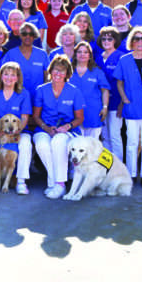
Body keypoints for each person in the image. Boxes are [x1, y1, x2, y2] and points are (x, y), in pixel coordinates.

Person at [113, 26, 142, 187]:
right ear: (132, 42)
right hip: (132, 107)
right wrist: (124, 99)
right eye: (136, 39)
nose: (140, 42)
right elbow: (119, 82)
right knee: (132, 143)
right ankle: (131, 174)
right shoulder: (124, 60)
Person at [32, 55, 85, 199]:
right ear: (50, 71)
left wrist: (67, 126)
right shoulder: (41, 90)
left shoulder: (74, 91)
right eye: (55, 70)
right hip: (44, 128)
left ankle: (60, 183)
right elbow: (36, 116)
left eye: (62, 71)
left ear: (67, 73)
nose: (58, 74)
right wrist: (46, 128)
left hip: (67, 131)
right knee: (42, 145)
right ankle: (53, 182)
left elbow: (80, 118)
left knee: (58, 142)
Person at [0, 61, 33, 195]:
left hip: (18, 132)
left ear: (17, 78)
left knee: (26, 144)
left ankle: (21, 181)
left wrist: (18, 131)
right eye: (6, 74)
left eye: (13, 75)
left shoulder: (24, 93)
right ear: (1, 76)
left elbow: (24, 118)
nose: (9, 78)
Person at [69, 41, 110, 140]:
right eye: (79, 52)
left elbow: (105, 90)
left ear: (90, 56)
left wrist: (105, 107)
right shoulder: (68, 72)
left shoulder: (97, 72)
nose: (82, 54)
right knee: (76, 144)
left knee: (92, 144)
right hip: (72, 114)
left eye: (85, 52)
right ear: (75, 55)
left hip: (93, 112)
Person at [97, 28, 125, 158]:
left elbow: (125, 81)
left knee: (115, 135)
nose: (106, 41)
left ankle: (118, 165)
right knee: (104, 136)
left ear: (115, 40)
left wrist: (122, 103)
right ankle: (107, 164)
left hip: (116, 103)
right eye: (104, 39)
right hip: (101, 103)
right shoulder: (98, 58)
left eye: (110, 39)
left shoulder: (121, 57)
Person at [0, 23, 48, 98]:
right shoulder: (11, 54)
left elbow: (47, 76)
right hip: (16, 97)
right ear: (20, 35)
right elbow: (3, 75)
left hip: (38, 97)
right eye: (24, 34)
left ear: (34, 36)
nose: (28, 36)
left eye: (31, 34)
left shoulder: (42, 54)